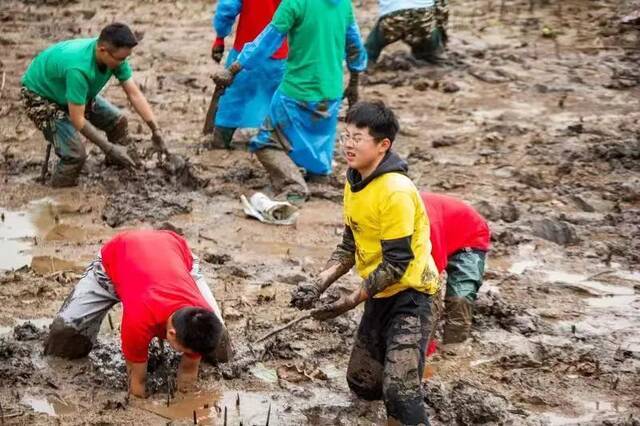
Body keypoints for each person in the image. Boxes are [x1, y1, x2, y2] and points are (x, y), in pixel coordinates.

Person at [291, 101, 439, 425]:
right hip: (380, 293)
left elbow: (397, 265)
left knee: (400, 394)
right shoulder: (354, 180)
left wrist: (347, 302)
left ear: (383, 145)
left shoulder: (395, 191)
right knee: (362, 383)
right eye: (346, 136)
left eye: (358, 138)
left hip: (413, 295)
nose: (348, 144)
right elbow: (349, 245)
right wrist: (318, 284)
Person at [44, 230, 232, 398]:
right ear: (171, 334)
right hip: (115, 261)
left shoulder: (200, 314)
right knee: (64, 340)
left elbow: (188, 373)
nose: (190, 355)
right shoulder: (138, 322)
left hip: (174, 253)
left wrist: (188, 403)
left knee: (220, 344)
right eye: (186, 351)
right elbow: (136, 385)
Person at [214, 0, 367, 204]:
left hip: (297, 91)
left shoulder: (295, 3)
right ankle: (318, 183)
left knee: (265, 143)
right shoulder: (344, 5)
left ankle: (293, 186)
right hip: (330, 92)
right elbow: (355, 45)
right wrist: (354, 82)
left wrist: (234, 69)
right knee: (318, 145)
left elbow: (267, 41)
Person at [20, 23, 167, 187]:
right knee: (75, 155)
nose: (123, 63)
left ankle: (122, 172)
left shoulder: (115, 57)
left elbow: (134, 94)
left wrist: (156, 130)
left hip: (71, 91)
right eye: (120, 59)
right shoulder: (79, 68)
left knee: (118, 122)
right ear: (102, 50)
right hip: (40, 96)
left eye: (126, 58)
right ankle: (57, 195)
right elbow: (78, 120)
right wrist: (109, 148)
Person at [208, 0, 288, 149]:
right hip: (281, 54)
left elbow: (227, 8)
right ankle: (273, 147)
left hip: (245, 54)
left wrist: (220, 37)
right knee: (277, 103)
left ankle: (220, 144)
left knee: (232, 100)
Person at [420, 192, 490, 345]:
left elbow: (431, 276)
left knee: (460, 297)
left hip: (471, 236)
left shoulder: (426, 222)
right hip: (447, 229)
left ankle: (453, 347)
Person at [365, 0, 449, 65]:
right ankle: (435, 59)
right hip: (423, 16)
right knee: (431, 48)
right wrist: (441, 38)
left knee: (370, 49)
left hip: (393, 18)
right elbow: (441, 8)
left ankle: (362, 68)